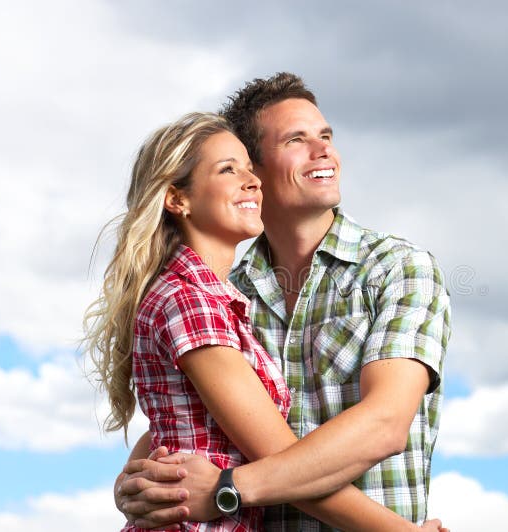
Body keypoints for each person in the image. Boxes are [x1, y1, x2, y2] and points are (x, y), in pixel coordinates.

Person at [116, 73, 452, 531]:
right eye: (297, 139)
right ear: (255, 169)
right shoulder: (223, 293)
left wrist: (228, 489)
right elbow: (192, 422)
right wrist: (138, 483)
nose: (324, 151)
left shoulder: (398, 269)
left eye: (326, 136)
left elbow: (385, 424)